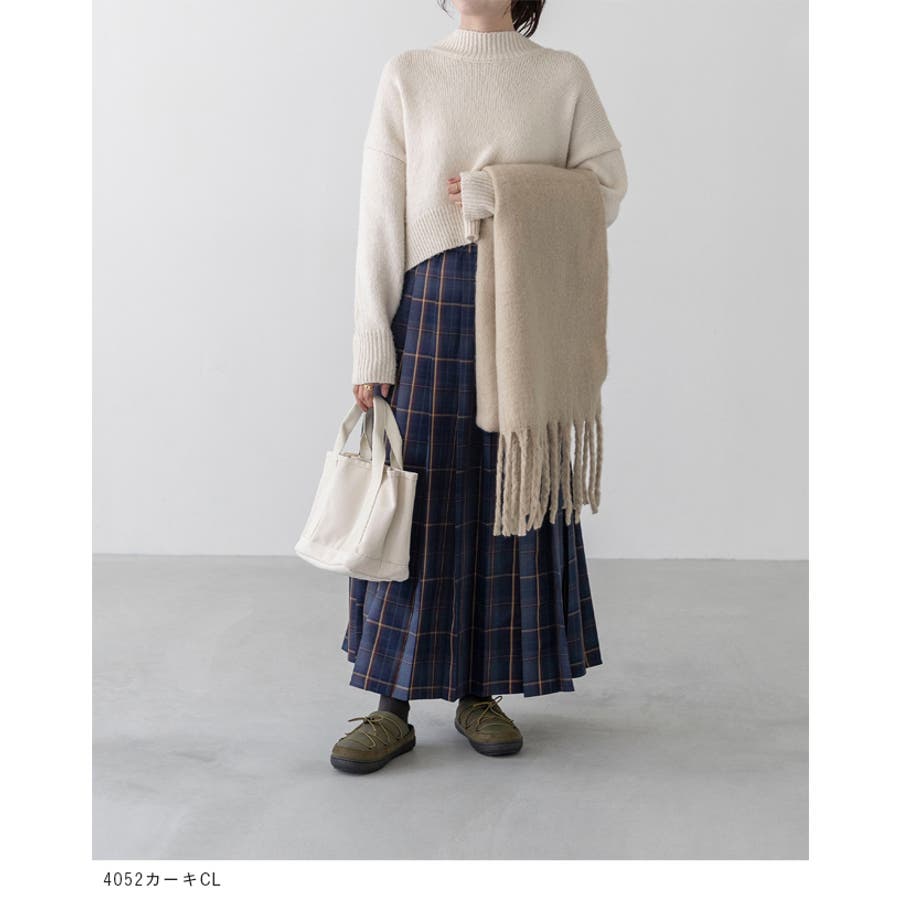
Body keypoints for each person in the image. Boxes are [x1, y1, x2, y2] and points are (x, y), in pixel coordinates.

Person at [332, 0, 628, 774]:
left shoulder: (561, 77)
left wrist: (503, 193)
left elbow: (606, 188)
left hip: (526, 310)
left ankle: (480, 692)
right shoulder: (410, 74)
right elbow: (379, 215)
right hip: (430, 305)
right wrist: (372, 341)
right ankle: (390, 705)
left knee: (508, 491)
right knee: (416, 496)